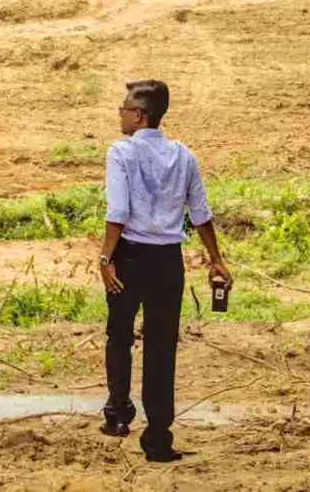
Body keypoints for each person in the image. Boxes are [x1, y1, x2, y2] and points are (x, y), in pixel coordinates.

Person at [98, 79, 231, 463]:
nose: (119, 115)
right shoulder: (183, 155)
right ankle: (158, 436)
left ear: (139, 115)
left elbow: (118, 212)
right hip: (167, 261)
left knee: (119, 334)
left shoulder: (121, 151)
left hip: (129, 255)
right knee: (161, 348)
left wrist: (106, 258)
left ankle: (118, 412)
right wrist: (215, 258)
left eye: (123, 109)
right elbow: (201, 214)